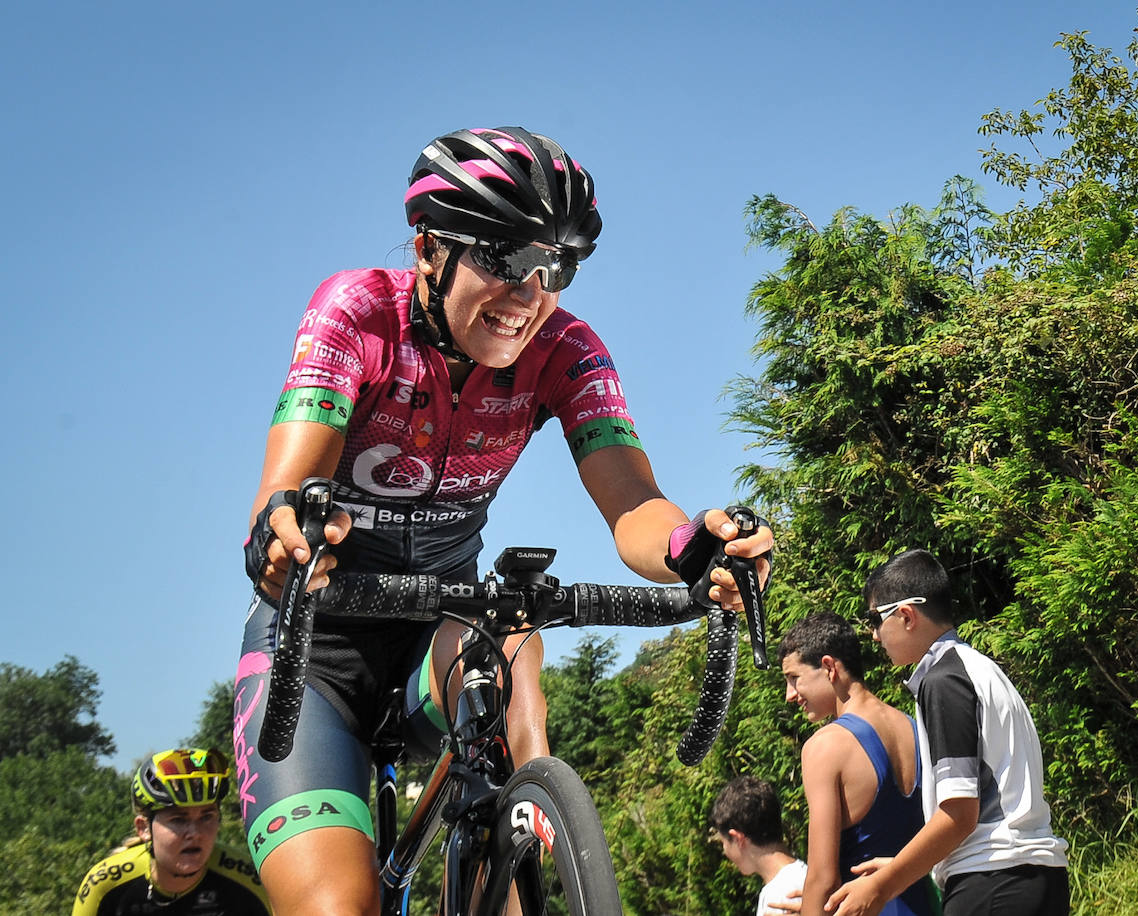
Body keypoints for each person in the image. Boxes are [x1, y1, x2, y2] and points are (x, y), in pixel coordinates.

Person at [232, 126, 774, 916]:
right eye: (500, 256)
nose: (529, 293)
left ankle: (518, 833)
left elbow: (632, 505)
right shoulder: (357, 312)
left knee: (511, 640)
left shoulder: (568, 348)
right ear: (427, 248)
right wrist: (287, 532)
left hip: (440, 631)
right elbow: (287, 485)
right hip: (317, 649)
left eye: (556, 266)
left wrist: (697, 548)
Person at [826, 549, 1069, 916]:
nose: (874, 635)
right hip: (1036, 878)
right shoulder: (979, 668)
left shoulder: (943, 681)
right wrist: (897, 868)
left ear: (906, 616)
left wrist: (882, 886)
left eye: (874, 619)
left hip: (991, 882)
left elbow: (959, 814)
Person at [775, 612, 940, 916]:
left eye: (794, 678)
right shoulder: (917, 729)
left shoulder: (825, 746)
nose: (789, 695)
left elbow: (824, 878)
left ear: (828, 667)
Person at [72, 748, 270, 916]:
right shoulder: (104, 884)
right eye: (178, 820)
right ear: (143, 829)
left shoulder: (248, 881)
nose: (195, 833)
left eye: (206, 817)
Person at [709, 775, 809, 916]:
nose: (724, 851)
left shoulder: (781, 894)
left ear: (738, 839)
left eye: (723, 842)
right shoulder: (800, 879)